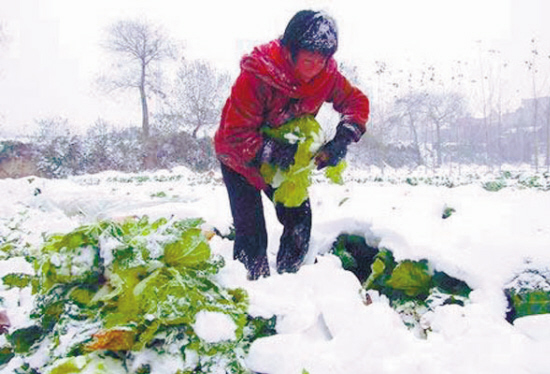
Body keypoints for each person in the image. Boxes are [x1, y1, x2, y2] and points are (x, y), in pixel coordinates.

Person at [214, 10, 370, 280]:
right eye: (309, 59)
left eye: (322, 60)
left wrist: (342, 139)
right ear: (290, 51)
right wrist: (272, 152)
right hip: (240, 160)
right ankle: (250, 288)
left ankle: (291, 280)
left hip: (284, 157)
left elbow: (356, 103)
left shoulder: (327, 77)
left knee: (299, 219)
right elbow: (236, 135)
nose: (315, 67)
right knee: (251, 234)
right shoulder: (257, 76)